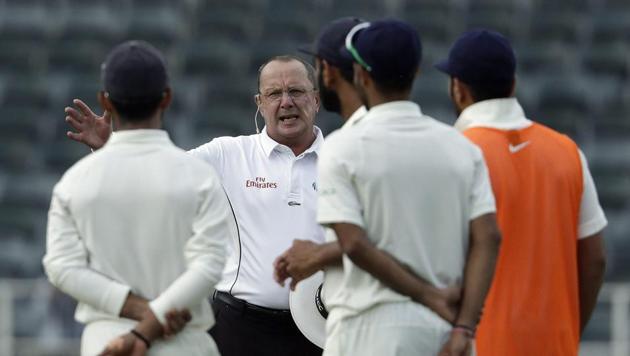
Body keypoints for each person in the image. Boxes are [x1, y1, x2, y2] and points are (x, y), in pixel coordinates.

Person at [64, 55, 325, 355]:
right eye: (274, 94)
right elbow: (163, 174)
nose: (286, 102)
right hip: (240, 329)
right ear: (259, 103)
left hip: (321, 327)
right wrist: (113, 146)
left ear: (316, 99)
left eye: (296, 91)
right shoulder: (229, 154)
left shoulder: (340, 159)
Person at [316, 19, 501, 356]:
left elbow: (354, 243)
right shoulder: (461, 147)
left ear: (362, 76)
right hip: (446, 330)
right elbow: (488, 236)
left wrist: (425, 294)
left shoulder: (341, 147)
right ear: (416, 72)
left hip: (367, 329)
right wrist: (465, 327)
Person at [43, 40, 234, 356]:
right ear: (167, 98)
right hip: (184, 340)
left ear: (105, 100)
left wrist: (137, 310)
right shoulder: (198, 176)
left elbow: (61, 267)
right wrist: (155, 317)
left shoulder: (74, 182)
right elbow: (210, 264)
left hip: (106, 342)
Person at [274, 16, 463, 324]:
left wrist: (319, 254)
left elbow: (384, 239)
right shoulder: (446, 141)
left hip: (373, 324)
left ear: (330, 72)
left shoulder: (353, 145)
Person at [435, 29, 608, 356]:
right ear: (512, 85)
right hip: (555, 345)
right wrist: (569, 331)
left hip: (477, 346)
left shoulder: (453, 154)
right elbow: (595, 259)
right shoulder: (567, 151)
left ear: (458, 89)